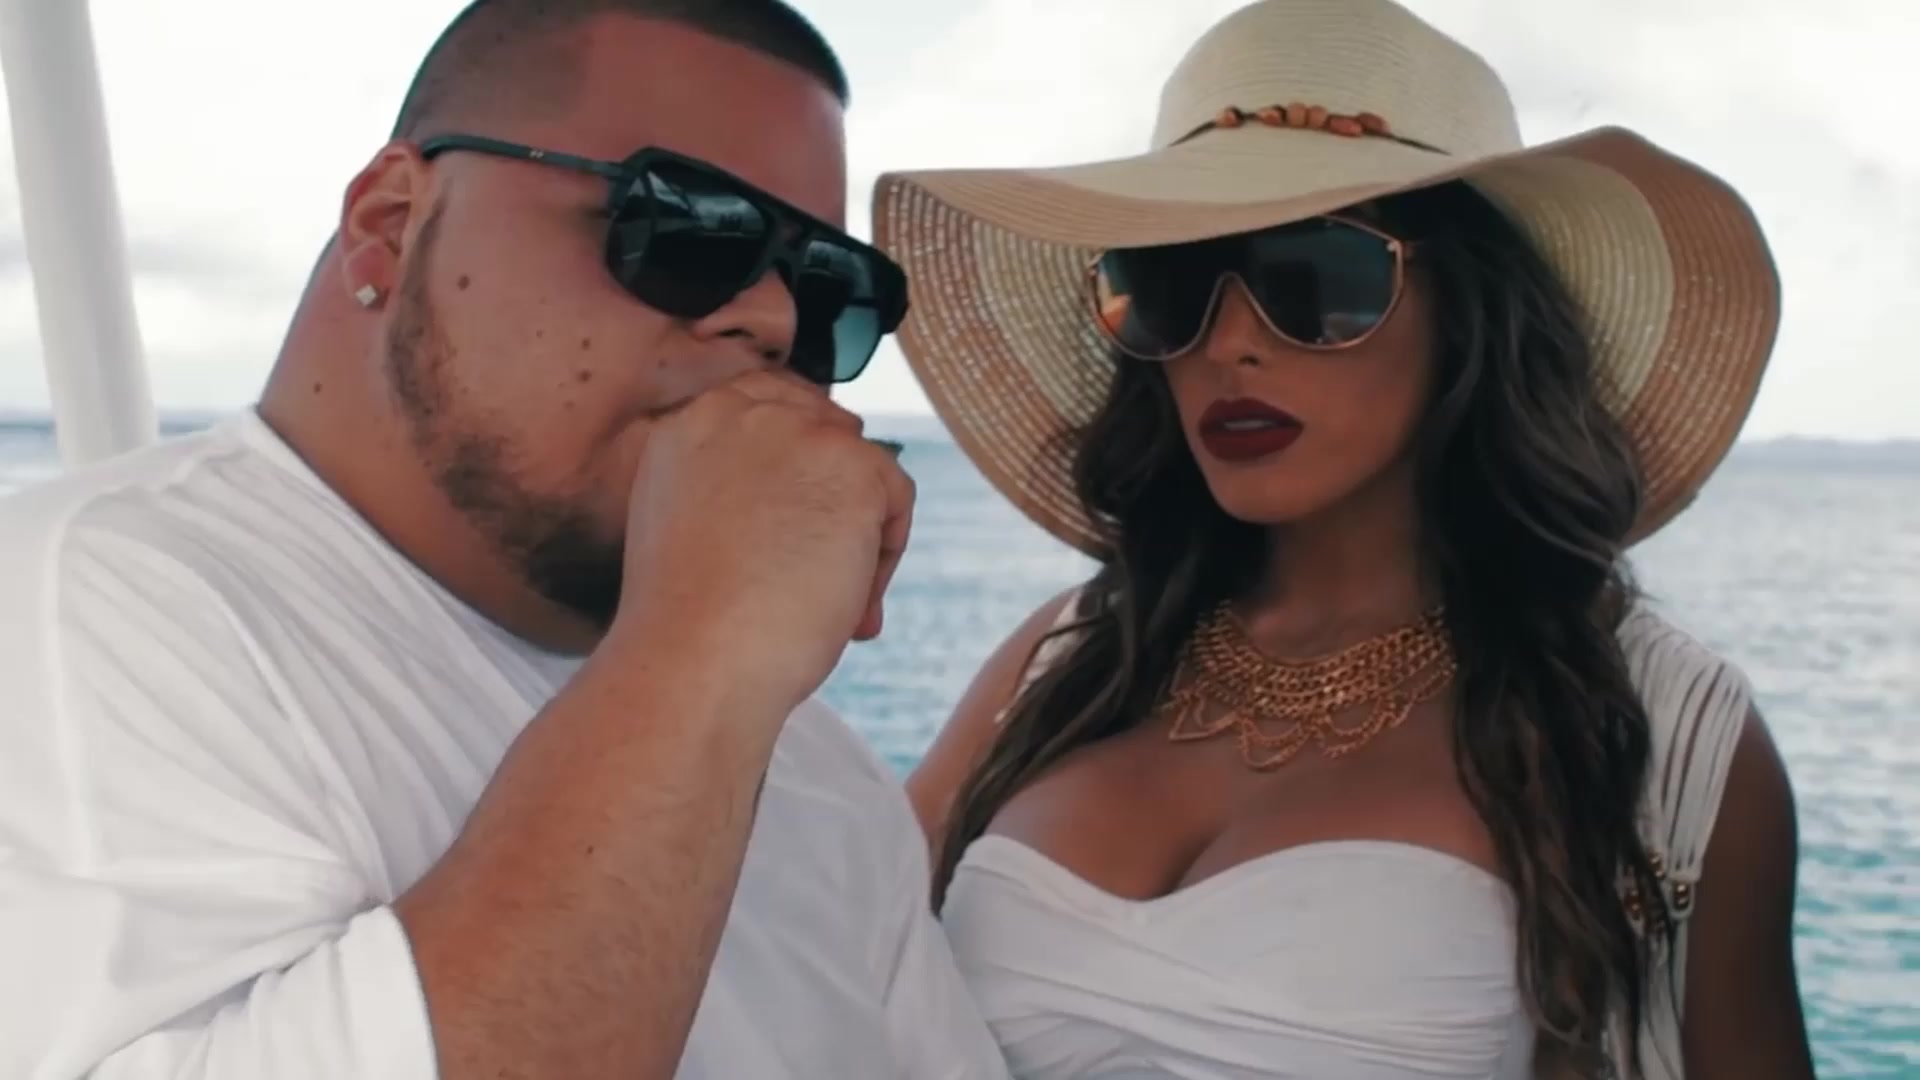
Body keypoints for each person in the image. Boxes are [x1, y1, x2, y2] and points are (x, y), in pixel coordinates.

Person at [0, 2, 1010, 1078]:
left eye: (827, 288)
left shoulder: (818, 776)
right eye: (689, 230)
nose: (772, 321)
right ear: (391, 223)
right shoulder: (80, 608)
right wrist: (705, 648)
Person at [875, 0, 1817, 1077]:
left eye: (1316, 279)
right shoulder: (1068, 659)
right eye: (1172, 286)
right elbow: (820, 977)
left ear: (1471, 313)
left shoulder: (1651, 725)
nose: (1231, 343)